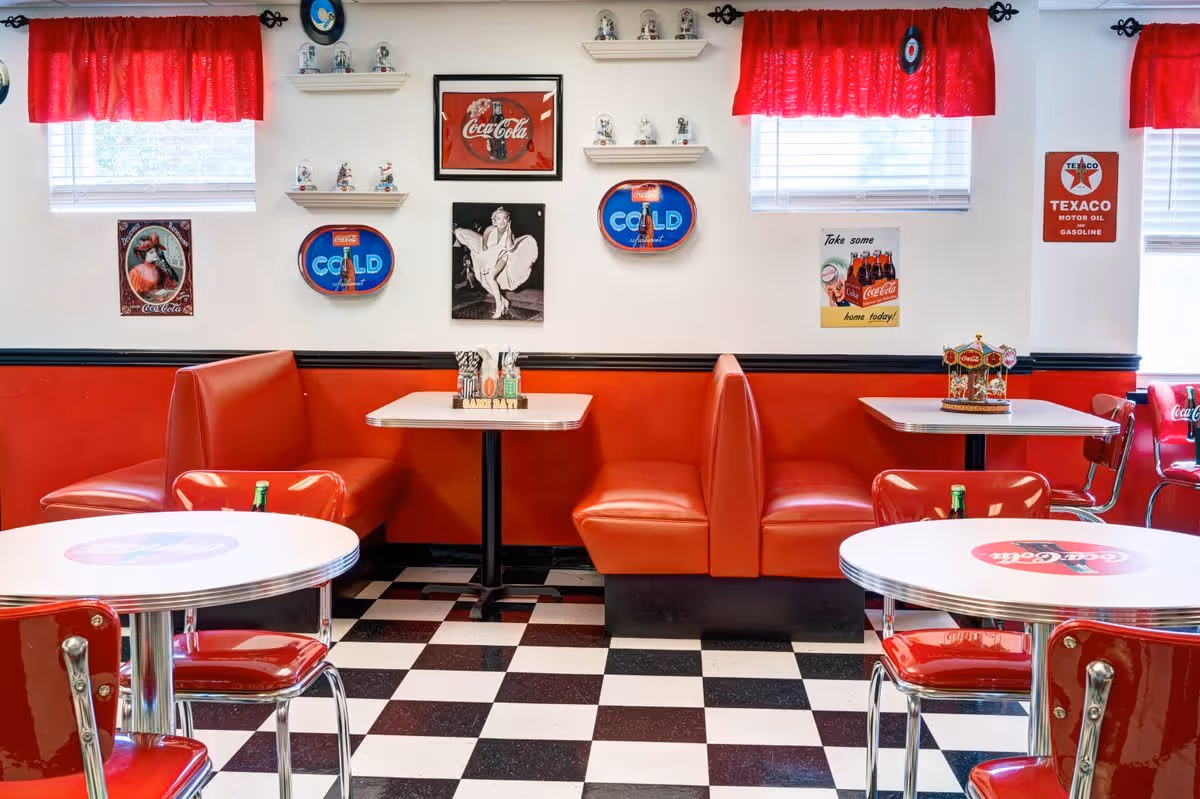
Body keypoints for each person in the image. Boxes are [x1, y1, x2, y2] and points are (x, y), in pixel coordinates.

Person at [453, 207, 538, 320]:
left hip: (502, 257)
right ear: (494, 220)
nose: (501, 221)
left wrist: (509, 233)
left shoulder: (510, 233)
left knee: (491, 277)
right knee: (485, 281)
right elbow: (483, 245)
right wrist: (485, 260)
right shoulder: (489, 229)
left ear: (508, 220)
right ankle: (503, 300)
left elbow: (510, 248)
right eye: (498, 218)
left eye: (504, 218)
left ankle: (499, 305)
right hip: (489, 256)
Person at [128, 234, 178, 301]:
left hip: (158, 300)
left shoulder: (158, 269)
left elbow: (174, 280)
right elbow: (134, 296)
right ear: (144, 256)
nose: (156, 254)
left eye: (156, 251)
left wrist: (164, 261)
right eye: (151, 252)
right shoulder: (135, 272)